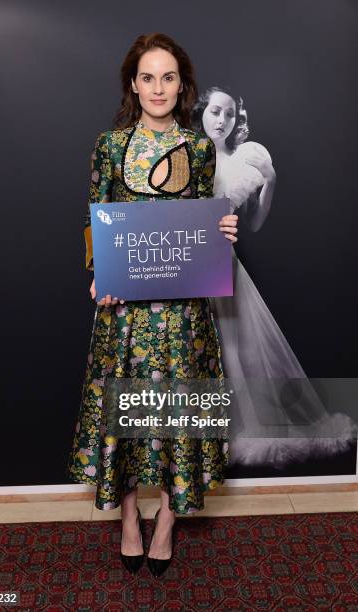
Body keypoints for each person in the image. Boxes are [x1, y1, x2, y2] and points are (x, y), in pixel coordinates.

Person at [66, 35, 238, 577]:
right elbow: (96, 221)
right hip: (126, 313)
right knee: (127, 415)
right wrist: (100, 276)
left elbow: (201, 227)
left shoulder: (201, 148)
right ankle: (127, 519)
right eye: (148, 77)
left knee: (177, 415)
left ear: (181, 85)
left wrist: (224, 232)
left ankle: (166, 518)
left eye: (168, 78)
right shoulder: (110, 147)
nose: (158, 88)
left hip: (185, 313)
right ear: (133, 84)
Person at [191, 86, 356, 468]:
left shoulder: (243, 160)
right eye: (215, 111)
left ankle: (234, 434)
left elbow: (254, 223)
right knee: (194, 347)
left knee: (236, 348)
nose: (222, 120)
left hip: (222, 261)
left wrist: (272, 180)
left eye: (230, 114)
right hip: (182, 258)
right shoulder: (184, 152)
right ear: (201, 111)